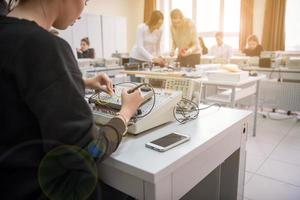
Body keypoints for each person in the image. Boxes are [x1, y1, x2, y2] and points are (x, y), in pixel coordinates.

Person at [0, 0, 144, 199]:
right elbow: (88, 152)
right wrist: (125, 114)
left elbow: (17, 92)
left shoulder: (9, 34)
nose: (83, 10)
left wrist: (80, 82)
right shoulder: (43, 45)